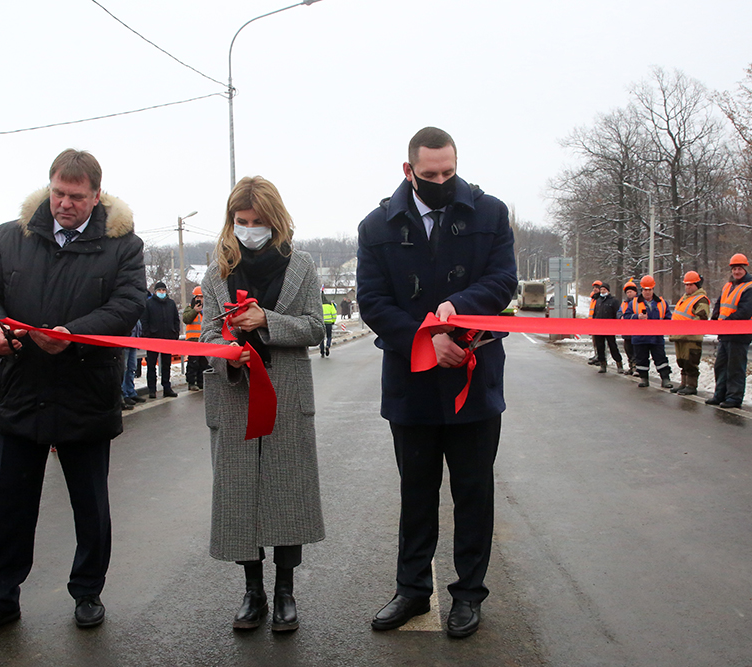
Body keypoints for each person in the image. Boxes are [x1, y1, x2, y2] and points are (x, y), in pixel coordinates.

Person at [0, 149, 146, 641]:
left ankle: (87, 591)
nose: (65, 204)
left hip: (85, 390)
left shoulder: (123, 245)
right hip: (22, 388)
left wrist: (74, 333)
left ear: (96, 196)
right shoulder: (10, 236)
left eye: (77, 197)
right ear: (49, 187)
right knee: (12, 506)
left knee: (90, 504)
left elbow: (127, 306)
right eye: (58, 193)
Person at [357, 127, 517, 639]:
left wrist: (460, 309)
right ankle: (411, 590)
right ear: (409, 171)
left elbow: (501, 280)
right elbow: (373, 302)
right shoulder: (377, 225)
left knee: (474, 492)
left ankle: (468, 594)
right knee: (416, 493)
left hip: (475, 376)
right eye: (430, 175)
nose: (442, 181)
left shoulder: (489, 214)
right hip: (413, 383)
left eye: (449, 172)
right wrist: (426, 342)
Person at [200, 176, 325, 633]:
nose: (249, 229)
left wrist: (267, 321)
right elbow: (206, 336)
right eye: (241, 221)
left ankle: (285, 593)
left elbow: (314, 326)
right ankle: (252, 593)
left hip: (286, 394)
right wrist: (226, 350)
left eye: (258, 222)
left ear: (275, 221)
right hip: (235, 396)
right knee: (240, 499)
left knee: (286, 495)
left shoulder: (302, 266)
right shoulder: (217, 271)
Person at [707, 254, 752, 408]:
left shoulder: (750, 288)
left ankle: (734, 397)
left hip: (740, 334)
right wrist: (715, 318)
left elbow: (745, 311)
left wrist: (726, 323)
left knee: (735, 367)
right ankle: (720, 395)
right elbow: (719, 304)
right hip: (725, 334)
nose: (736, 272)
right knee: (721, 366)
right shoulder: (728, 286)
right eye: (734, 269)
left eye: (739, 269)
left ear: (745, 269)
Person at [624, 275, 673, 388]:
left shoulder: (662, 303)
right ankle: (644, 379)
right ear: (642, 290)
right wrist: (637, 317)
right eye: (645, 290)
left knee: (661, 359)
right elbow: (626, 317)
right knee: (641, 360)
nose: (647, 292)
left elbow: (668, 318)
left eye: (649, 289)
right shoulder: (634, 303)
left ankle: (665, 378)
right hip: (639, 338)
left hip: (656, 338)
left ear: (653, 289)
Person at [668, 271, 711, 395]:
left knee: (691, 361)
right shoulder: (685, 298)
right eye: (686, 285)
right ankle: (684, 384)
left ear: (697, 285)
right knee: (682, 361)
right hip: (679, 335)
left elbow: (701, 318)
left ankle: (691, 385)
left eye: (690, 285)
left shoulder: (701, 299)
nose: (687, 287)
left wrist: (687, 328)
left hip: (691, 337)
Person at [141, 281, 180, 398]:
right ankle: (152, 389)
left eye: (163, 290)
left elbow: (176, 320)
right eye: (160, 290)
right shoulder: (149, 304)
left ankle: (167, 387)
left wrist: (175, 333)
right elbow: (144, 321)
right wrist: (147, 335)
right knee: (151, 365)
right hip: (153, 339)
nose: (162, 292)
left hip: (167, 338)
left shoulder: (171, 304)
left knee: (166, 365)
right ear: (155, 291)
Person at [591, 282, 623, 373]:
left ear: (608, 291)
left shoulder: (613, 301)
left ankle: (619, 363)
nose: (602, 291)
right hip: (598, 328)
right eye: (601, 290)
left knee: (613, 346)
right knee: (600, 347)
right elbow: (595, 313)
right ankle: (603, 364)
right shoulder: (598, 300)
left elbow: (617, 313)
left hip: (610, 328)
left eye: (604, 289)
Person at [183, 286, 208, 390]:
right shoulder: (190, 308)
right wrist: (195, 310)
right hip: (193, 340)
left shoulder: (207, 309)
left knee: (203, 363)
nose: (200, 299)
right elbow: (186, 319)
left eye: (202, 297)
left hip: (204, 340)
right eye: (198, 297)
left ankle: (201, 381)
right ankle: (191, 382)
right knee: (193, 362)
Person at [121, 320, 145, 410]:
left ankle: (131, 392)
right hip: (125, 342)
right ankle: (124, 394)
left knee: (132, 368)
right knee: (124, 370)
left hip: (133, 342)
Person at [617, 280, 638, 376]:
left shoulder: (638, 302)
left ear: (635, 292)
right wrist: (620, 316)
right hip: (626, 330)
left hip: (636, 331)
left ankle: (636, 367)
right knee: (628, 349)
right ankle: (631, 366)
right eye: (627, 292)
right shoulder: (624, 303)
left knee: (636, 350)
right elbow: (619, 312)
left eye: (631, 292)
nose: (629, 294)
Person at [586, 280, 602, 365]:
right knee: (595, 341)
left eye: (597, 287)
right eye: (594, 287)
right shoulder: (593, 298)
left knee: (600, 342)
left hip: (598, 324)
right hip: (593, 323)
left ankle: (600, 357)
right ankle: (597, 355)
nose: (595, 289)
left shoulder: (600, 299)